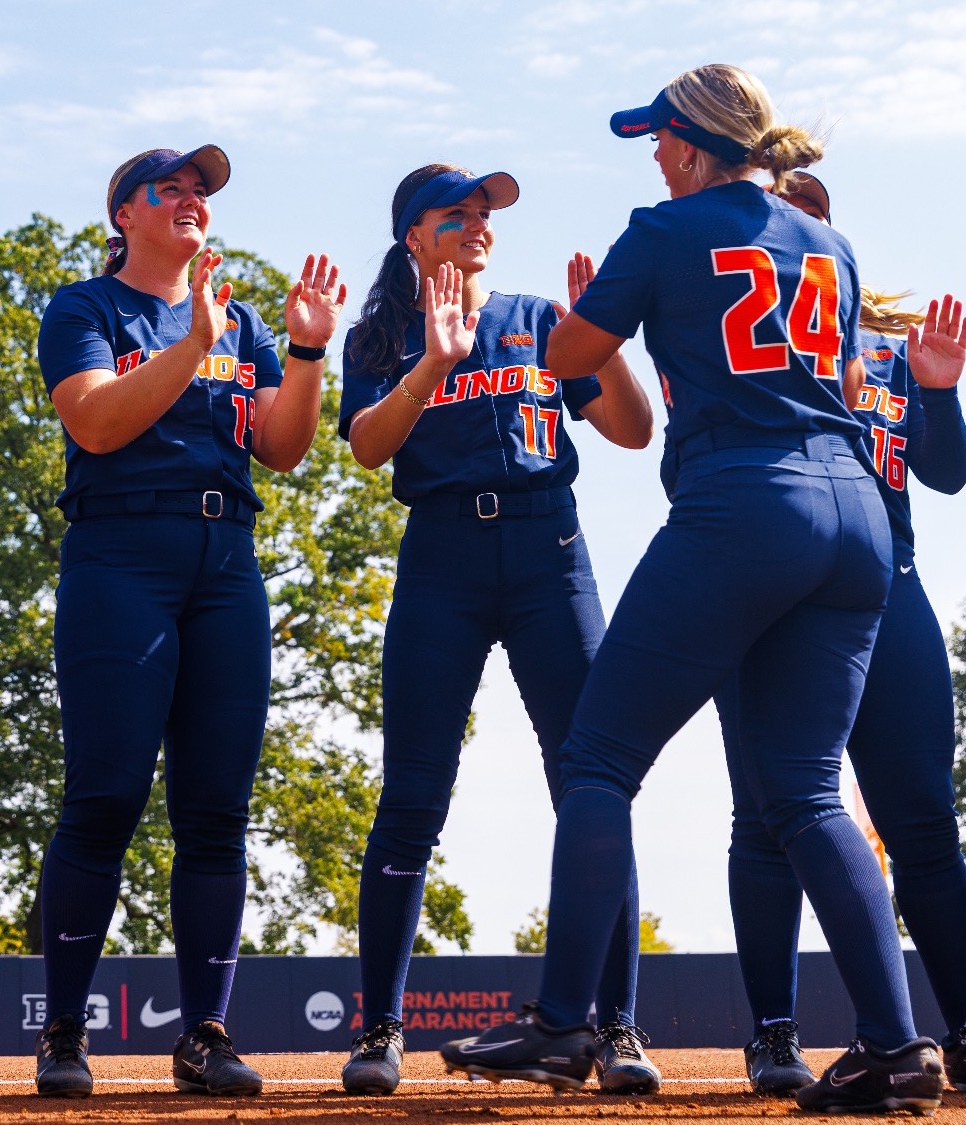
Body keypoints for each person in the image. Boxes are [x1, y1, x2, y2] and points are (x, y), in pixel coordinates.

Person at [438, 63, 947, 1115]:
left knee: (596, 758)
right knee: (805, 792)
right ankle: (897, 1049)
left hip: (741, 500)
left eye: (657, 140)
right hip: (855, 516)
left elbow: (574, 356)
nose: (652, 157)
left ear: (685, 141)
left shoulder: (659, 228)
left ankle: (564, 1021)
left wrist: (564, 326)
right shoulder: (828, 241)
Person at [334, 166, 655, 1096]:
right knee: (413, 795)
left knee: (592, 786)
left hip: (551, 553)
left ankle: (616, 1025)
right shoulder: (382, 334)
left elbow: (634, 432)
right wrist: (431, 362)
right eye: (455, 215)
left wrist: (608, 339)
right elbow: (364, 444)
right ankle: (382, 1025)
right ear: (414, 240)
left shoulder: (545, 318)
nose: (476, 225)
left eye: (484, 214)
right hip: (442, 558)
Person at [31, 145, 342, 1099]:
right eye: (170, 189)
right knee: (106, 796)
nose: (191, 202)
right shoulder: (84, 309)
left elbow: (283, 448)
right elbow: (95, 423)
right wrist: (187, 341)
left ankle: (204, 1033)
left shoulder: (239, 320)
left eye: (201, 191)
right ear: (123, 213)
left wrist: (302, 349)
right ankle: (65, 1033)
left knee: (216, 811)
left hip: (225, 561)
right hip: (121, 555)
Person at [717, 171, 966, 1096]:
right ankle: (773, 1034)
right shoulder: (732, 343)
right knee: (766, 818)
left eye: (811, 218)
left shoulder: (891, 352)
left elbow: (946, 474)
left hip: (890, 592)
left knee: (924, 825)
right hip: (766, 596)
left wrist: (937, 391)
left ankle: (964, 1027)